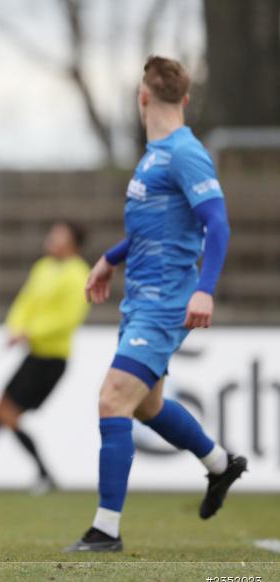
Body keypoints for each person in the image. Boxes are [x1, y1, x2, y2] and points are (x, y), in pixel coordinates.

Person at [65, 56, 246, 553]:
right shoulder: (153, 156)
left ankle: (105, 530)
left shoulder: (185, 154)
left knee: (112, 399)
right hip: (140, 298)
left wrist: (205, 288)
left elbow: (218, 223)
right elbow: (152, 228)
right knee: (146, 405)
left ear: (142, 97)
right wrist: (110, 258)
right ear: (183, 100)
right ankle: (219, 463)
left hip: (166, 302)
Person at [0, 222, 90, 493]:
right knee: (1, 412)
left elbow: (68, 319)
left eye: (60, 237)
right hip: (34, 355)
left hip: (51, 359)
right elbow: (25, 302)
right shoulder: (43, 267)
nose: (52, 240)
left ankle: (42, 473)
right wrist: (16, 327)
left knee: (6, 414)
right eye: (53, 235)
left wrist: (29, 333)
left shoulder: (78, 275)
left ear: (74, 244)